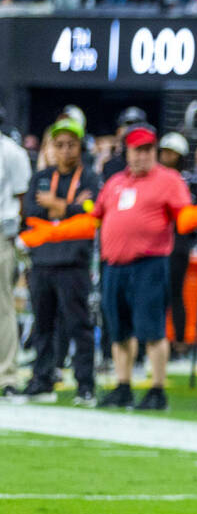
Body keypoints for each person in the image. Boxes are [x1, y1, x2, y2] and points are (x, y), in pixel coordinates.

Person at [20, 124, 197, 410]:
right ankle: (123, 384)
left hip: (149, 263)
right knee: (118, 330)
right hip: (114, 265)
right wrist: (53, 233)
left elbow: (182, 216)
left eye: (148, 150)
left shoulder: (168, 180)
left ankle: (157, 389)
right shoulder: (115, 182)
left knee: (151, 330)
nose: (143, 156)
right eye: (137, 150)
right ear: (127, 152)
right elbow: (94, 220)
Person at [18, 118, 100, 405]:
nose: (65, 150)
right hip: (42, 262)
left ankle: (85, 384)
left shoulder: (90, 178)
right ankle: (41, 380)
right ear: (52, 147)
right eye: (60, 144)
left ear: (80, 147)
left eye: (71, 145)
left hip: (74, 263)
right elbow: (30, 213)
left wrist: (56, 206)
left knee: (79, 325)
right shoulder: (41, 177)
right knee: (42, 325)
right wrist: (72, 208)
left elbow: (91, 214)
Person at [158, 131, 197, 358]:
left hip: (178, 242)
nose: (167, 157)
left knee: (175, 292)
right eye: (164, 152)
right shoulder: (154, 178)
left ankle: (179, 342)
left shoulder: (189, 181)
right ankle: (153, 340)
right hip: (156, 241)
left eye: (172, 153)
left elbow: (194, 215)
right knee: (155, 294)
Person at [0, 111, 32, 399]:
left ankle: (7, 374)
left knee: (3, 306)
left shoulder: (11, 152)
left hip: (1, 233)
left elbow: (24, 199)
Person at [101, 107, 148, 182]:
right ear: (119, 131)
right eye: (127, 125)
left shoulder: (151, 162)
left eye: (136, 125)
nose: (132, 129)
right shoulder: (110, 165)